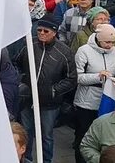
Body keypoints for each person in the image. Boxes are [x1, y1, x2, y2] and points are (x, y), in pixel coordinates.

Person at [16, 15, 77, 163]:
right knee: (27, 133)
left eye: (46, 31)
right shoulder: (29, 45)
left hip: (49, 103)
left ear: (55, 32)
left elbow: (71, 78)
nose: (42, 33)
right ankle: (27, 159)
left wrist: (53, 91)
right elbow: (16, 64)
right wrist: (22, 81)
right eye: (39, 30)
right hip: (28, 98)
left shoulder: (64, 51)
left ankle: (46, 160)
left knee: (47, 136)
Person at [73, 24, 115, 163]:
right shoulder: (84, 51)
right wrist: (97, 76)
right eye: (107, 42)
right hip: (86, 102)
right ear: (98, 38)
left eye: (113, 43)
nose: (110, 46)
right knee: (83, 136)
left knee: (103, 137)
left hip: (107, 101)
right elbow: (77, 77)